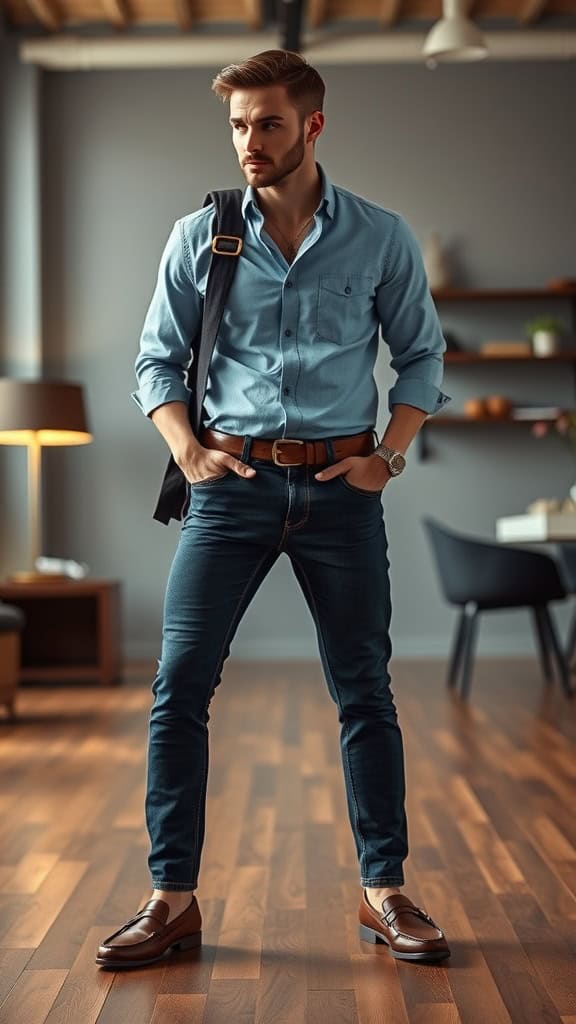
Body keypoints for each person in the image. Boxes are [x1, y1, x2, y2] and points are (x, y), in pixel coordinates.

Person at [96, 49, 451, 969]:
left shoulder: (380, 236)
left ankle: (386, 893)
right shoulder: (200, 235)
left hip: (342, 493)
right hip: (233, 491)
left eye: (268, 124)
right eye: (238, 126)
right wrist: (187, 448)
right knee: (179, 691)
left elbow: (422, 358)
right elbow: (154, 363)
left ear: (314, 126)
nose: (250, 142)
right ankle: (171, 900)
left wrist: (389, 454)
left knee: (365, 694)